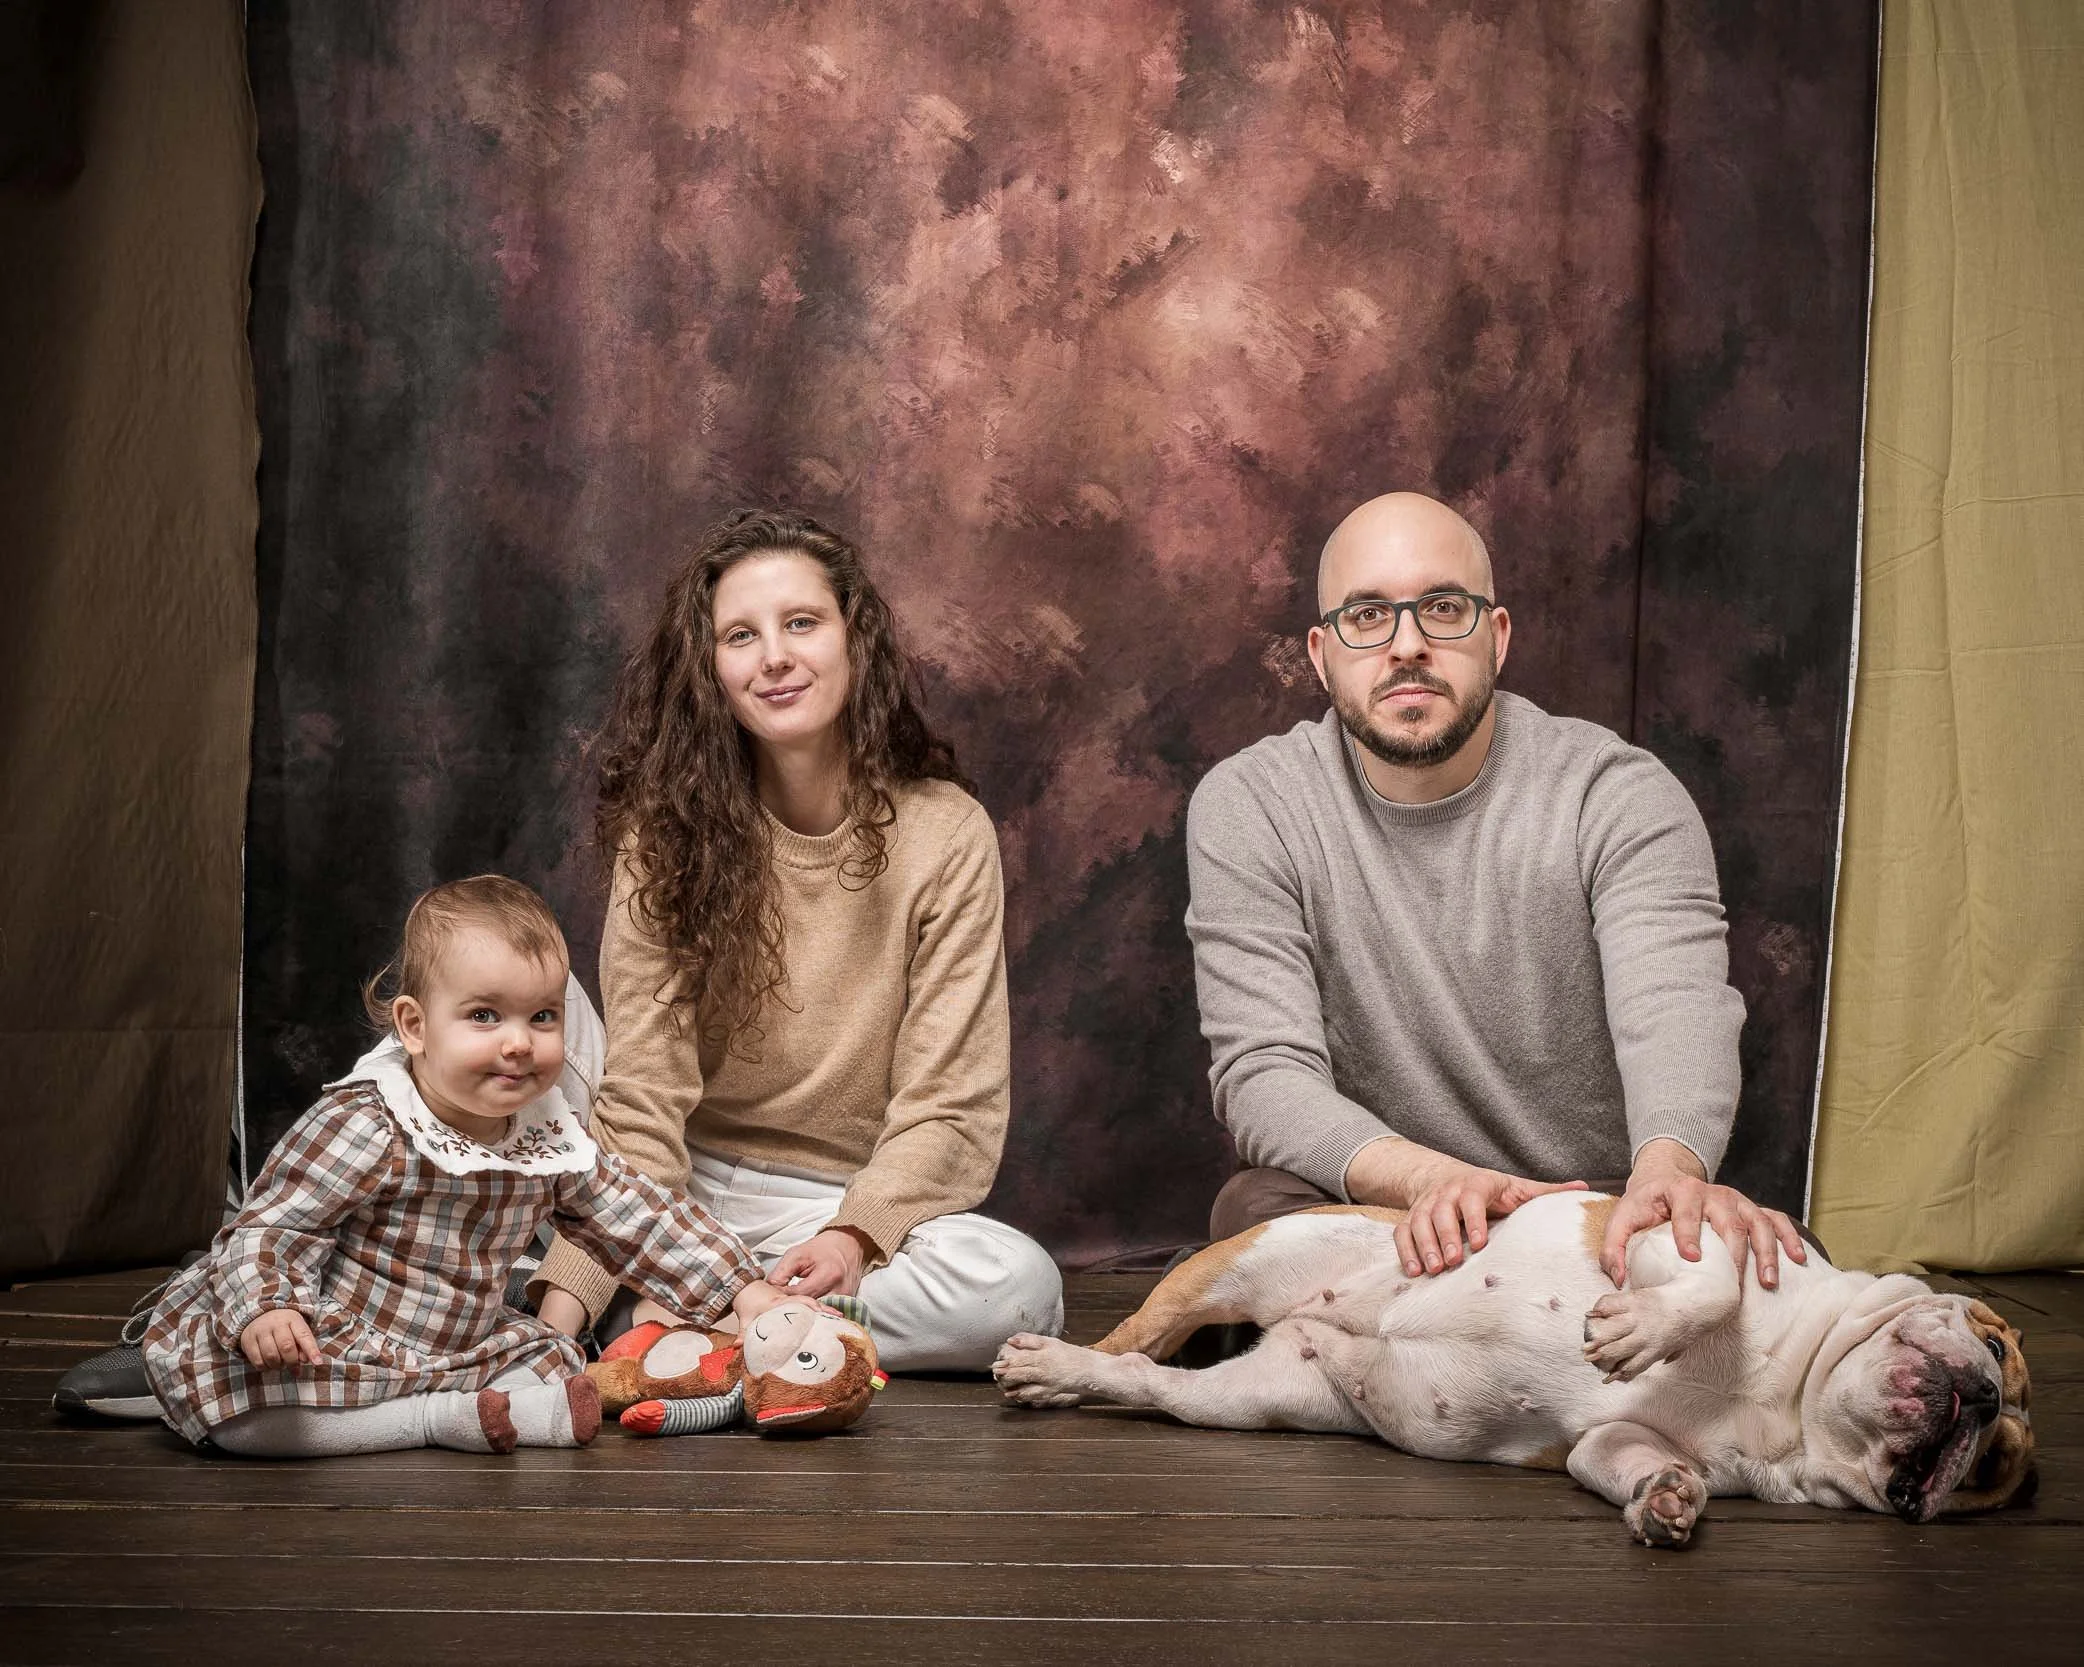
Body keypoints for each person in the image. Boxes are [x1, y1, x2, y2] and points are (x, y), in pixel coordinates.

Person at [1187, 491, 1809, 1290]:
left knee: (1773, 1257)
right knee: (1254, 1210)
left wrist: (1666, 1172)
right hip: (1403, 1213)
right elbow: (1266, 1075)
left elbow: (1677, 1010)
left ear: (1498, 636)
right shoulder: (1253, 804)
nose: (1407, 645)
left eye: (1444, 608)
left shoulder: (1616, 793)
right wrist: (1430, 1183)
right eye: (1368, 615)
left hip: (1599, 1212)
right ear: (1320, 653)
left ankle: (1456, 1346)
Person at [529, 508, 1062, 1370]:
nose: (774, 655)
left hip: (827, 1205)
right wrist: (558, 1329)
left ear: (857, 641)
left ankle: (692, 1327)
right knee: (476, 1021)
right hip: (672, 1186)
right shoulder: (665, 831)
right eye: (740, 635)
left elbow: (949, 1106)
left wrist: (856, 1234)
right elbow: (643, 1096)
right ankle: (700, 1317)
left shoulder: (947, 833)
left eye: (801, 623)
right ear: (710, 672)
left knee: (1017, 1290)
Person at [140, 876, 786, 1456]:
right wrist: (268, 1308)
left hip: (458, 1345)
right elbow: (269, 1228)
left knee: (550, 1359)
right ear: (415, 1026)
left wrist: (743, 1290)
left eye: (542, 1016)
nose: (518, 1041)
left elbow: (640, 1218)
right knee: (246, 1412)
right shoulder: (370, 1122)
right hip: (340, 1336)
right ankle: (426, 1421)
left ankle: (488, 1409)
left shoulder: (546, 1135)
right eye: (484, 1015)